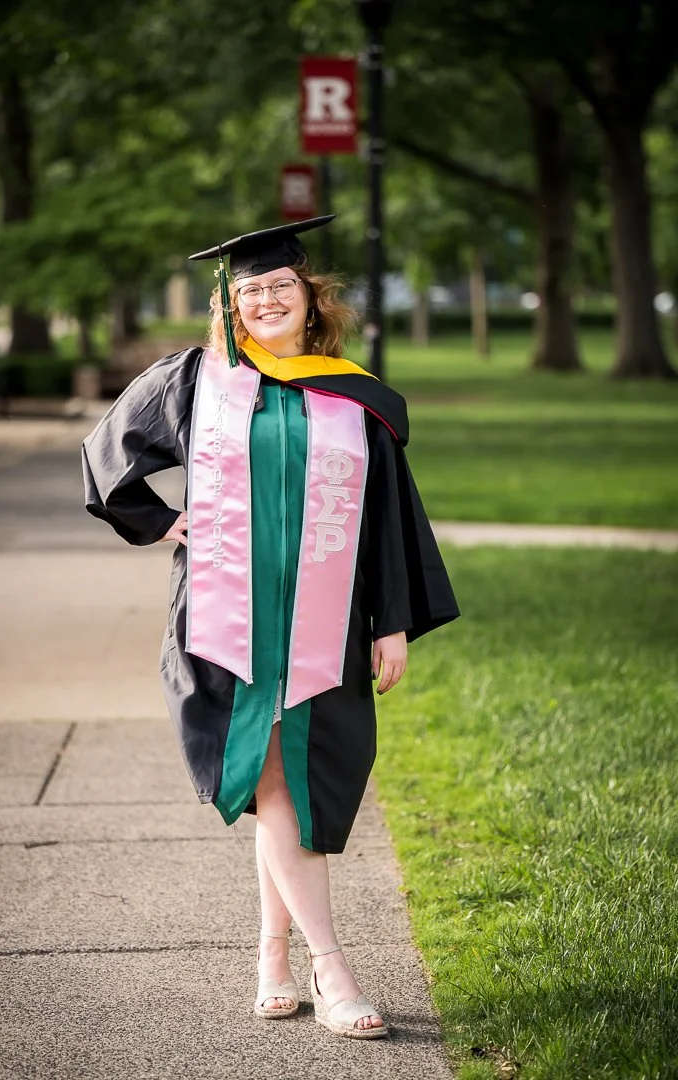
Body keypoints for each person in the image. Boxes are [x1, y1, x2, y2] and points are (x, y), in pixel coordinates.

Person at [82, 215, 459, 1040]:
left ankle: (272, 957)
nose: (266, 301)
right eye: (250, 291)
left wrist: (391, 622)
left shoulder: (350, 394)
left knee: (285, 783)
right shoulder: (197, 380)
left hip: (324, 621)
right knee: (278, 783)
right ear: (231, 304)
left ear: (309, 297)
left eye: (281, 286)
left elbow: (390, 518)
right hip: (229, 619)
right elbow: (107, 456)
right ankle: (332, 967)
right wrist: (161, 522)